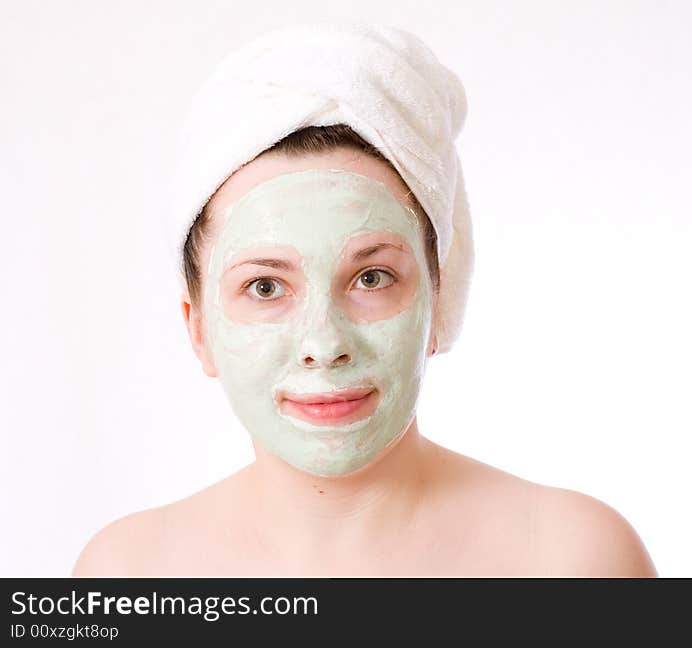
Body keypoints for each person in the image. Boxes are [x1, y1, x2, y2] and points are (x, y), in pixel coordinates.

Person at [72, 22, 657, 577]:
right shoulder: (127, 575)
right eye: (266, 286)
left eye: (371, 278)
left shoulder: (572, 561)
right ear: (197, 330)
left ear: (441, 297)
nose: (323, 346)